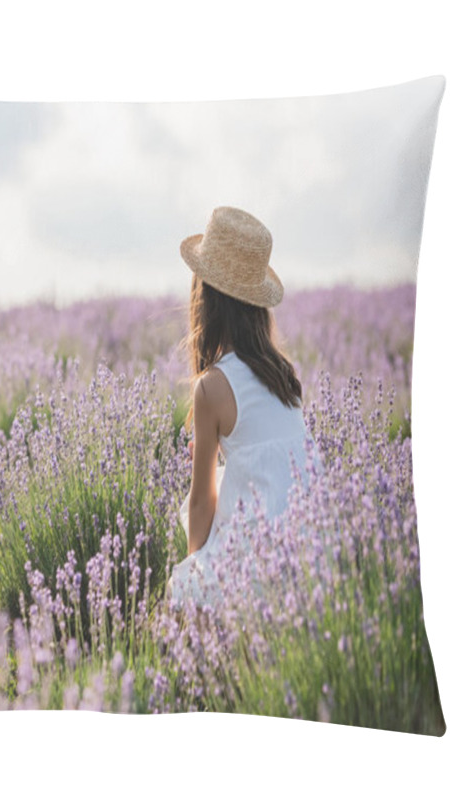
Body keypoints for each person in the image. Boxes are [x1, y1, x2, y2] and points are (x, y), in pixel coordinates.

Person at [167, 206, 318, 610]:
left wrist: (191, 576)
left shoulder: (213, 387)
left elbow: (201, 502)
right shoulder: (283, 376)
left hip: (257, 566)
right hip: (309, 559)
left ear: (206, 297)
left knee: (180, 591)